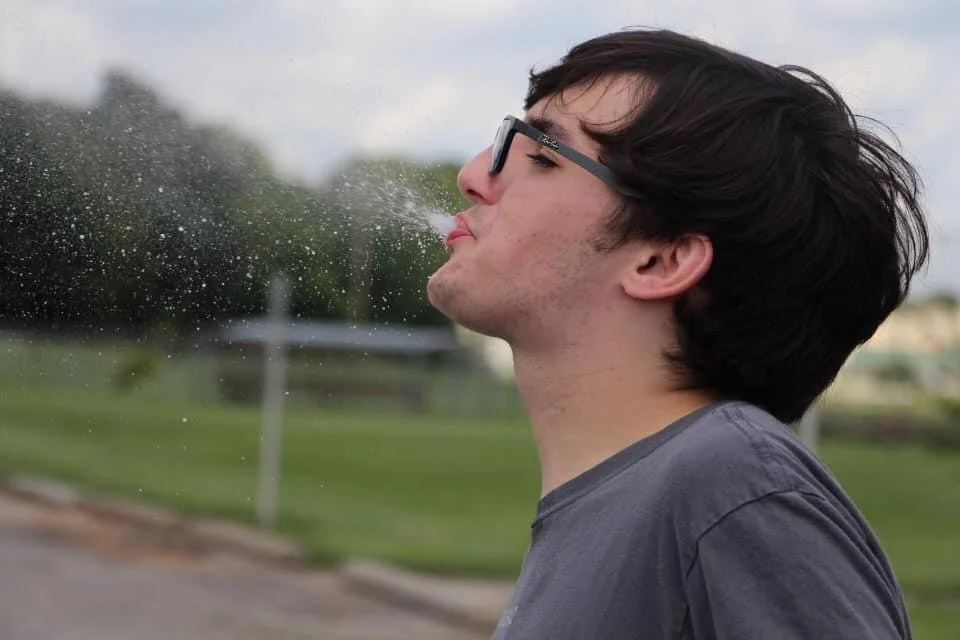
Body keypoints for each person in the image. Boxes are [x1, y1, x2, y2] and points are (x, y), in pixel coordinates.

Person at [426, 27, 928, 640]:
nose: (473, 175)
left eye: (542, 157)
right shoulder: (653, 496)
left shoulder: (735, 492)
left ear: (661, 261)